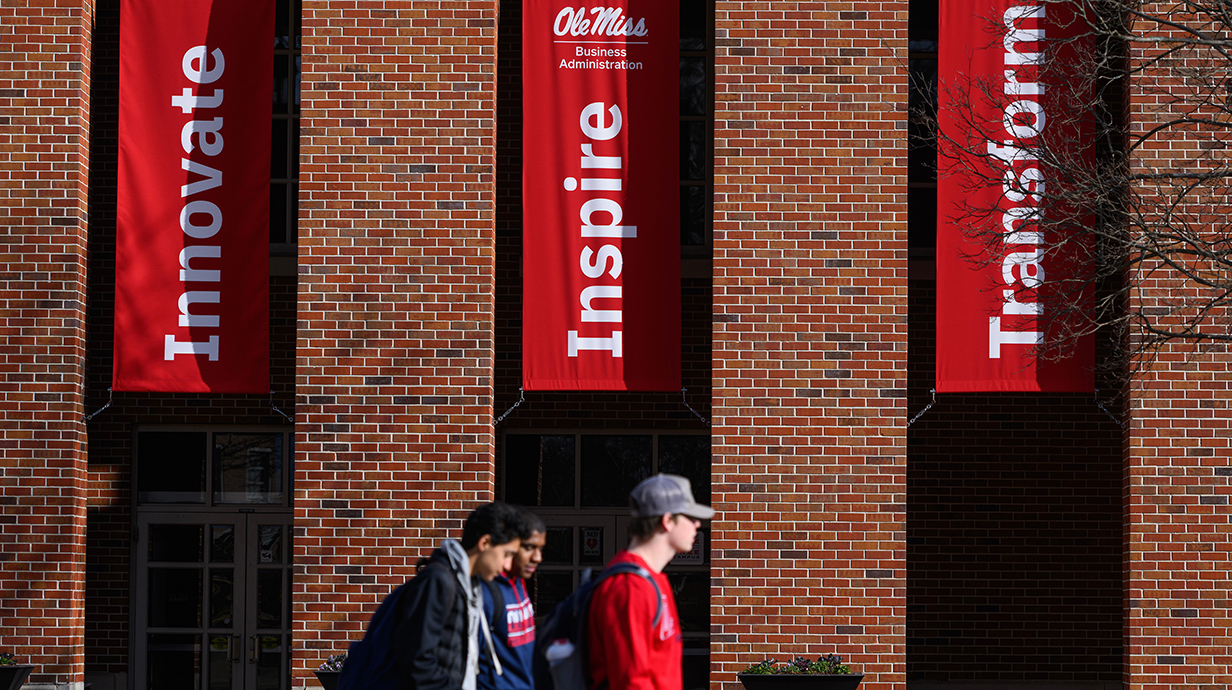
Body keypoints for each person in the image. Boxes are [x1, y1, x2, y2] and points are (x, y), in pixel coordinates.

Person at [341, 501, 526, 690]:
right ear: (484, 543)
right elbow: (417, 661)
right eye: (507, 554)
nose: (508, 565)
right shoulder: (438, 582)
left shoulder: (470, 586)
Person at [586, 474, 714, 690]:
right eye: (690, 517)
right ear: (667, 521)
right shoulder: (629, 587)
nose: (697, 524)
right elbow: (631, 681)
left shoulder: (653, 580)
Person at [478, 508, 546, 690]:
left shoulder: (519, 581)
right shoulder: (484, 591)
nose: (537, 558)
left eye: (540, 549)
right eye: (529, 547)